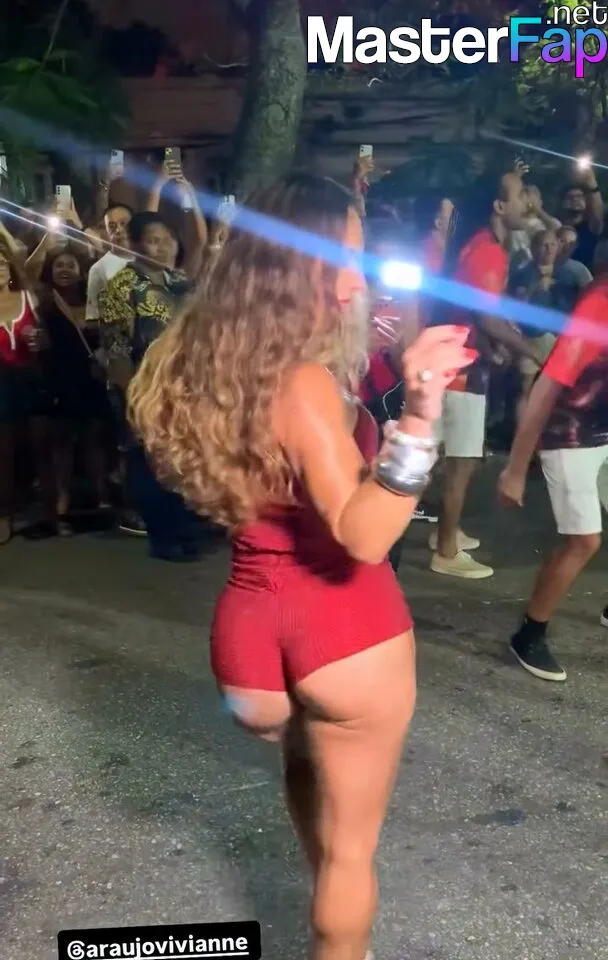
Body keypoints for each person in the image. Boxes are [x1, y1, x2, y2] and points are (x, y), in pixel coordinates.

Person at [128, 173, 475, 960]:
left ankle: (331, 907)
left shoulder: (196, 362)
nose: (355, 279)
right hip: (343, 631)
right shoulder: (304, 384)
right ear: (289, 264)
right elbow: (364, 535)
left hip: (250, 638)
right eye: (341, 257)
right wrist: (420, 416)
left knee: (307, 775)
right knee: (353, 853)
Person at [498, 239, 608, 682]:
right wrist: (515, 468)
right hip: (569, 434)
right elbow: (547, 386)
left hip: (602, 430)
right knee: (584, 542)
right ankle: (530, 633)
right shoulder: (600, 304)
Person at [431, 168, 539, 580]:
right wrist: (531, 350)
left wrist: (497, 345)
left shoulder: (481, 245)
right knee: (461, 460)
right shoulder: (487, 250)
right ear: (499, 206)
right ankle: (445, 550)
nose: (528, 202)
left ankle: (447, 530)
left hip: (458, 361)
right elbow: (488, 317)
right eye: (520, 194)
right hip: (461, 367)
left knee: (458, 456)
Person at [101, 212, 206, 562]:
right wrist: (135, 398)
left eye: (168, 240)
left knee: (183, 461)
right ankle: (163, 537)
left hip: (185, 389)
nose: (162, 247)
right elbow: (116, 349)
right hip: (144, 388)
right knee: (150, 463)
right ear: (135, 244)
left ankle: (186, 529)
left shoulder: (179, 282)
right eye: (152, 240)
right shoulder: (122, 286)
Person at [38, 246, 111, 530]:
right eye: (59, 266)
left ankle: (102, 495)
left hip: (91, 379)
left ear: (82, 271)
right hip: (59, 379)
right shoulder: (45, 304)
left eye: (70, 265)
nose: (64, 270)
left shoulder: (94, 302)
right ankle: (63, 496)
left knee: (94, 440)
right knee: (61, 444)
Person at [0, 240, 57, 543]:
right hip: (1, 383)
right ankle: (4, 515)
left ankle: (51, 514)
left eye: (1, 263)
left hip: (30, 379)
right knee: (4, 452)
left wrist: (37, 339)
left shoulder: (26, 296)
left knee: (41, 446)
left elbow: (46, 340)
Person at [558, 164, 604, 270]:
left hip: (587, 276)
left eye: (579, 197)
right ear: (562, 202)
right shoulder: (557, 227)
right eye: (570, 197)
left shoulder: (591, 227)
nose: (575, 200)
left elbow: (598, 214)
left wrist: (592, 183)